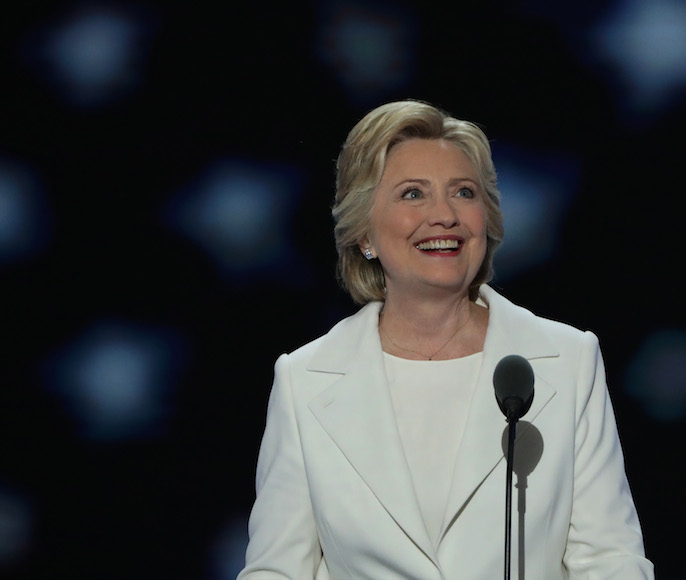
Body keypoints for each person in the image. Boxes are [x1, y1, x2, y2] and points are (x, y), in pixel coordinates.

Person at [238, 100, 654, 579]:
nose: (444, 216)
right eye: (413, 194)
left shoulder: (567, 360)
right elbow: (276, 571)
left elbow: (610, 560)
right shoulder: (304, 380)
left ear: (487, 219)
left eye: (463, 192)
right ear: (363, 233)